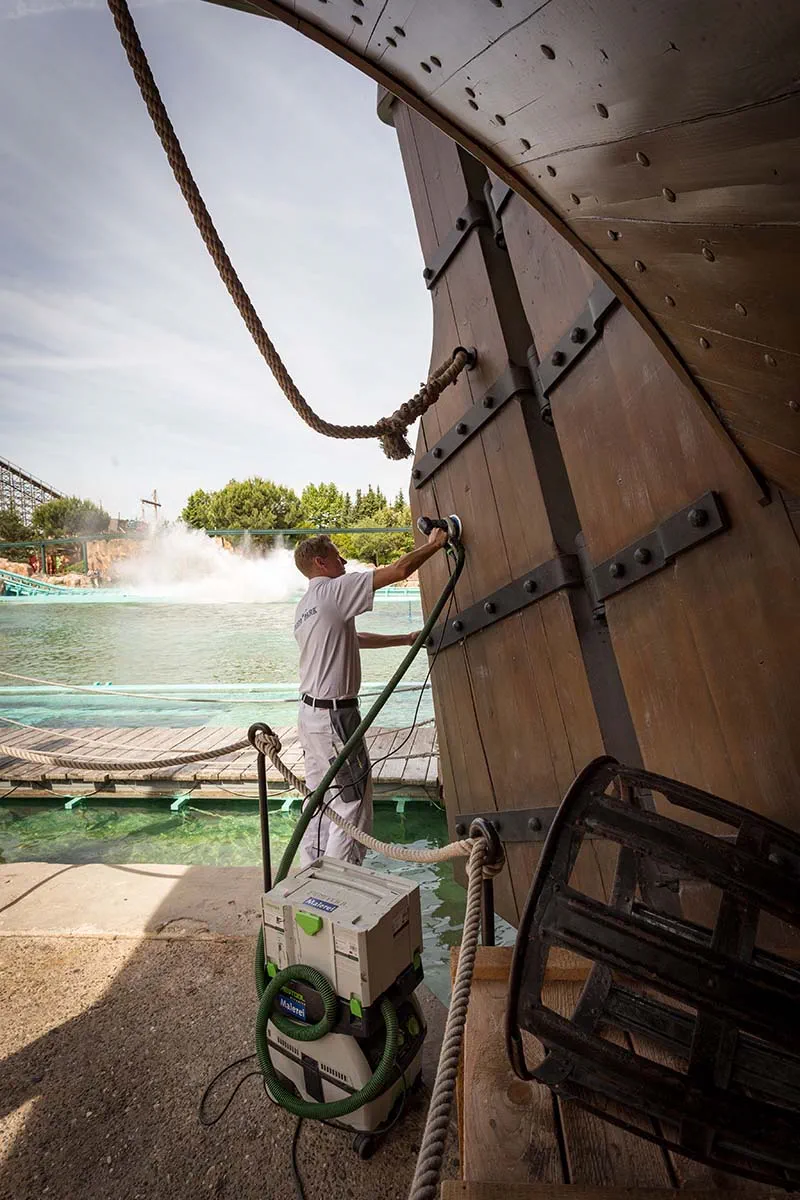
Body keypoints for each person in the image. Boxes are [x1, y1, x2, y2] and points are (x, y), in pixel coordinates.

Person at [293, 529, 448, 868]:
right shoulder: (334, 590)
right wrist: (435, 544)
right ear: (320, 562)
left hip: (310, 715)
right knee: (352, 803)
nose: (344, 560)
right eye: (337, 556)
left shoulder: (306, 606)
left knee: (320, 800)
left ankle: (308, 875)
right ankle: (340, 883)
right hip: (335, 717)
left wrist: (403, 639)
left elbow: (354, 638)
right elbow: (399, 571)